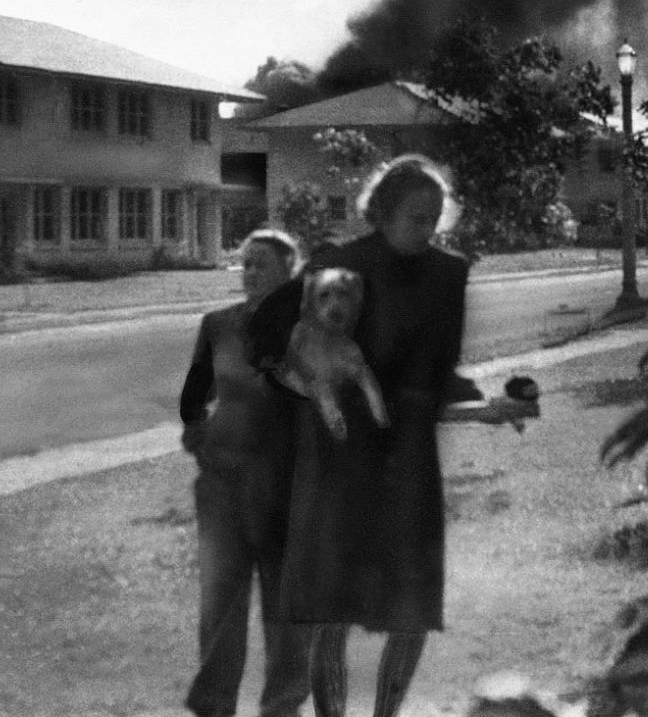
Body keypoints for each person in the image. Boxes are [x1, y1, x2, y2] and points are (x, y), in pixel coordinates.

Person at [247, 154, 481, 717]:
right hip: (340, 458)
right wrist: (305, 383)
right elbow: (280, 344)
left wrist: (483, 403)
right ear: (383, 210)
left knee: (411, 605)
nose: (426, 227)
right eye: (415, 215)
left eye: (434, 216)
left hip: (409, 458)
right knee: (334, 602)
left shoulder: (450, 274)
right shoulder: (338, 265)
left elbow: (440, 367)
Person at [179, 228, 312, 717]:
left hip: (289, 490)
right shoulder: (218, 326)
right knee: (221, 602)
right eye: (245, 263)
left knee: (289, 609)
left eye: (261, 264)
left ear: (289, 271)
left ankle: (283, 705)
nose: (249, 272)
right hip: (224, 488)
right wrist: (201, 445)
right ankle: (214, 705)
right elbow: (195, 399)